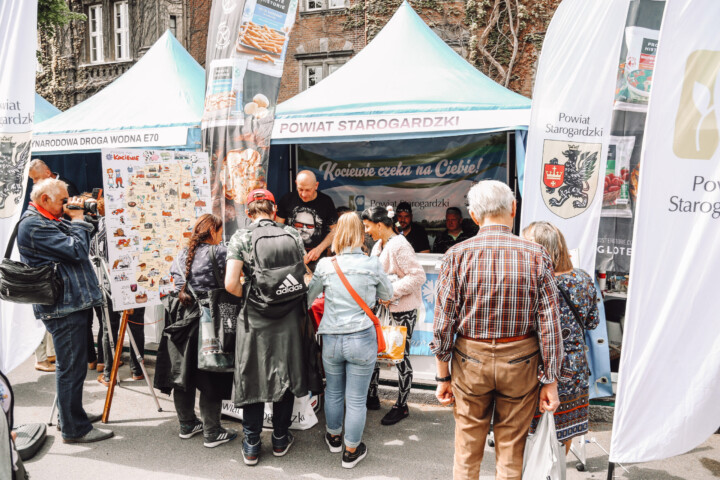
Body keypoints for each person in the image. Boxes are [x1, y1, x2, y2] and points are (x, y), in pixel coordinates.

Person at [431, 180, 563, 480]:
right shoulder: (536, 255)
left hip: (469, 362)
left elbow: (443, 323)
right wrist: (551, 380)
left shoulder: (456, 254)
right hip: (521, 363)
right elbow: (549, 325)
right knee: (511, 452)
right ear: (513, 209)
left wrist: (442, 375)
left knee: (466, 452)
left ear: (474, 216)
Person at [17, 178, 112, 444]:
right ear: (44, 199)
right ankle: (74, 429)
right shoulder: (34, 224)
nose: (67, 204)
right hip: (62, 307)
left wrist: (83, 219)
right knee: (70, 369)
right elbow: (78, 250)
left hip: (71, 302)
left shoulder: (48, 217)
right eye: (63, 200)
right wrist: (79, 219)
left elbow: (78, 239)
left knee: (75, 367)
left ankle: (70, 415)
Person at [225, 189, 308, 466]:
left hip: (255, 318)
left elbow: (230, 283)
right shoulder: (293, 234)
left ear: (248, 213)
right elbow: (302, 275)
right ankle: (281, 439)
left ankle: (251, 444)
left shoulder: (240, 237)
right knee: (283, 373)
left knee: (253, 375)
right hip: (288, 318)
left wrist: (250, 296)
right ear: (273, 210)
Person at [307, 212, 393, 468]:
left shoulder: (325, 265)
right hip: (361, 337)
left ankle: (334, 437)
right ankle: (351, 451)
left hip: (332, 338)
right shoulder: (372, 263)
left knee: (333, 391)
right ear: (361, 234)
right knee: (356, 398)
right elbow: (387, 293)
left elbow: (311, 297)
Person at [522, 221, 599, 454]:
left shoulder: (534, 282)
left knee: (527, 433)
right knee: (562, 433)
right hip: (573, 368)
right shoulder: (583, 279)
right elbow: (592, 322)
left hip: (537, 366)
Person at [167, 214, 237, 448]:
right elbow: (234, 280)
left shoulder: (180, 255)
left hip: (182, 322)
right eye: (220, 231)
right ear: (214, 231)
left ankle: (187, 424)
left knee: (184, 376)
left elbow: (175, 285)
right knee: (210, 376)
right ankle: (213, 431)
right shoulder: (219, 252)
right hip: (209, 321)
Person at [362, 205, 426, 425]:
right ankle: (372, 396)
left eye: (368, 226)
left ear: (380, 224)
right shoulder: (380, 244)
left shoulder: (399, 245)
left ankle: (402, 405)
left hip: (403, 309)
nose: (367, 231)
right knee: (376, 349)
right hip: (385, 308)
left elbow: (418, 276)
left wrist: (391, 290)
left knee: (400, 357)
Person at [277, 170, 337, 270]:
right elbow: (277, 229)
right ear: (296, 183)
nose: (304, 194)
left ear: (316, 186)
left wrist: (319, 249)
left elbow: (336, 230)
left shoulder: (326, 201)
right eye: (300, 189)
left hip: (317, 261)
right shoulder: (287, 199)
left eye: (308, 190)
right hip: (290, 259)